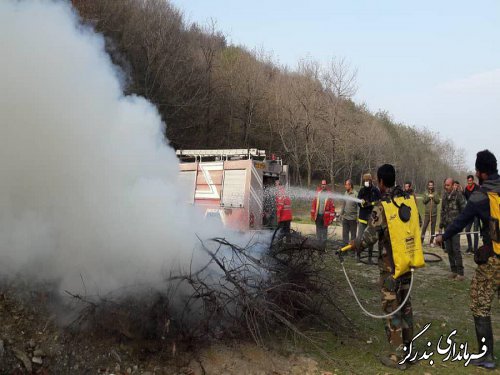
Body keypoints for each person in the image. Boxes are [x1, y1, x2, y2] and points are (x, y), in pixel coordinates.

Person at [435, 150, 500, 370]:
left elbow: (460, 221)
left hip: (494, 260)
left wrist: (443, 236)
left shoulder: (480, 196)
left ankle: (486, 356)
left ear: (481, 172)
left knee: (479, 305)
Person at [349, 164, 414, 370]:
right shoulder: (407, 200)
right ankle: (408, 353)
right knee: (406, 308)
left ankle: (396, 357)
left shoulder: (383, 206)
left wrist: (354, 245)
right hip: (407, 265)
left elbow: (369, 237)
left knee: (391, 310)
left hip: (390, 269)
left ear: (381, 182)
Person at [440, 177, 467, 280]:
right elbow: (442, 211)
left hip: (455, 228)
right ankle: (453, 271)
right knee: (449, 249)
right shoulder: (444, 195)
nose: (446, 187)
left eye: (448, 185)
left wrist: (461, 225)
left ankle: (461, 273)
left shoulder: (459, 196)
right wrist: (440, 226)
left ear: (452, 185)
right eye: (445, 185)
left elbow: (464, 211)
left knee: (456, 249)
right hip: (447, 228)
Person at [357, 173, 381, 263]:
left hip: (372, 218)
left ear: (371, 181)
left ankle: (369, 257)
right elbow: (358, 202)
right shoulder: (362, 190)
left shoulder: (375, 190)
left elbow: (380, 201)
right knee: (359, 237)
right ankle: (358, 255)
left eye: (367, 180)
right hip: (362, 217)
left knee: (370, 238)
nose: (366, 182)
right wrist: (362, 203)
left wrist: (373, 203)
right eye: (365, 181)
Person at [311, 180, 335, 244]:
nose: (323, 185)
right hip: (318, 216)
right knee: (318, 231)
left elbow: (332, 207)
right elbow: (314, 205)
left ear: (326, 185)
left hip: (325, 217)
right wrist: (312, 215)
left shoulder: (329, 194)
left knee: (324, 232)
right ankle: (318, 246)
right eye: (322, 184)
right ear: (321, 185)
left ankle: (323, 247)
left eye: (324, 184)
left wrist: (331, 218)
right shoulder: (318, 193)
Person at [464, 175, 480, 255]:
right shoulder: (466, 189)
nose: (469, 182)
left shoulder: (477, 188)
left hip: (476, 213)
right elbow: (466, 199)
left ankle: (476, 249)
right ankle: (470, 247)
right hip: (470, 213)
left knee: (475, 231)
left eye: (470, 181)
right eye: (468, 181)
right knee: (467, 230)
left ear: (473, 181)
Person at [421, 180, 440, 245]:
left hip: (434, 214)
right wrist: (428, 197)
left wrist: (433, 197)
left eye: (432, 185)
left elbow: (438, 201)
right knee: (424, 228)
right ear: (428, 186)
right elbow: (423, 201)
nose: (430, 186)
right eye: (429, 185)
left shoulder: (436, 193)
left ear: (433, 185)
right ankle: (421, 240)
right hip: (427, 214)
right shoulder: (425, 193)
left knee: (433, 229)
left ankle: (431, 241)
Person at [341, 179, 358, 245]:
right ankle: (344, 249)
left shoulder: (356, 194)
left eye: (346, 184)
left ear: (350, 185)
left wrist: (358, 217)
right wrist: (341, 214)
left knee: (353, 236)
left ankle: (352, 250)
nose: (345, 186)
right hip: (345, 218)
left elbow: (358, 207)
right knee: (345, 235)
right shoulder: (345, 193)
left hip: (353, 219)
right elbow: (343, 204)